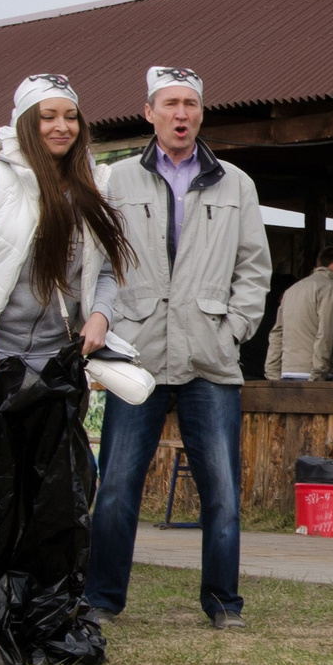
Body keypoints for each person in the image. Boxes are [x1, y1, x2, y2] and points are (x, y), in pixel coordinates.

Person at [0, 74, 126, 665]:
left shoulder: (93, 182)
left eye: (70, 116)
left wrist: (99, 314)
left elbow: (111, 268)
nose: (61, 127)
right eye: (47, 117)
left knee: (61, 501)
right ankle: (1, 620)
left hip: (58, 365)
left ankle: (54, 615)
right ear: (24, 124)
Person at [82, 66, 269, 630]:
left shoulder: (236, 182)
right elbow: (96, 260)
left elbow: (254, 268)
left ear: (202, 112)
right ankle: (102, 600)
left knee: (222, 494)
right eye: (170, 104)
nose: (181, 114)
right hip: (136, 353)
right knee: (115, 487)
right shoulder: (115, 181)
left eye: (190, 104)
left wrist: (233, 328)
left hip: (209, 358)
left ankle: (223, 603)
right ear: (149, 111)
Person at [262, 245, 333, 380]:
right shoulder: (331, 288)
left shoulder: (292, 290)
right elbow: (327, 333)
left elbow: (277, 333)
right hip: (313, 374)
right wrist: (319, 372)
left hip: (288, 371)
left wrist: (272, 372)